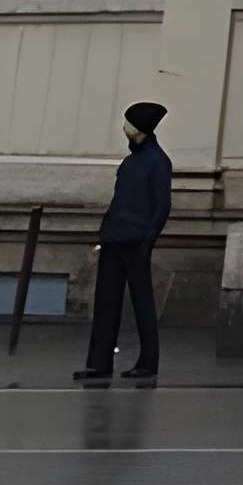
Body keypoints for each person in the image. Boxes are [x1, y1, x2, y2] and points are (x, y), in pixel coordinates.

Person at [75, 100, 171, 383]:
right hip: (116, 238)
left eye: (128, 123)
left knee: (143, 304)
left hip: (135, 240)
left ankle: (147, 361)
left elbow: (161, 205)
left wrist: (148, 241)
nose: (124, 128)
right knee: (106, 301)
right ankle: (99, 362)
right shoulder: (133, 161)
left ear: (138, 128)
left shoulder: (158, 162)